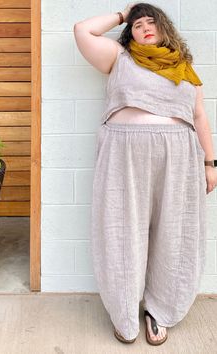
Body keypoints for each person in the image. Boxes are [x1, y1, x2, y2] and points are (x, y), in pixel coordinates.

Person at [74, 2, 217, 346]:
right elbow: (82, 30)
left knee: (174, 230)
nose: (145, 27)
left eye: (152, 22)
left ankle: (159, 309)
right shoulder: (119, 58)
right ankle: (125, 314)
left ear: (166, 28)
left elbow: (198, 117)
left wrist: (210, 163)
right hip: (124, 152)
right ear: (129, 34)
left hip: (179, 155)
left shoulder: (184, 67)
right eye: (138, 26)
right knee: (122, 229)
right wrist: (125, 14)